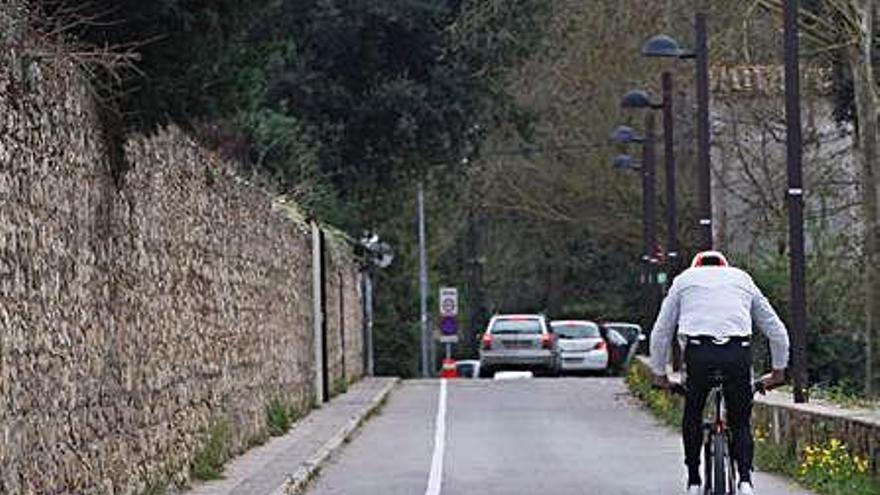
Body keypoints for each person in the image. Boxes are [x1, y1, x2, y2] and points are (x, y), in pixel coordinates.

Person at [649, 251, 790, 495]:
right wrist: (778, 372)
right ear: (726, 267)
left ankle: (694, 480)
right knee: (740, 420)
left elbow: (661, 332)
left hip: (698, 353)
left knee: (693, 412)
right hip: (737, 352)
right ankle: (745, 481)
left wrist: (660, 375)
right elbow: (776, 331)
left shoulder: (683, 280)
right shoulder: (743, 279)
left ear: (696, 267)